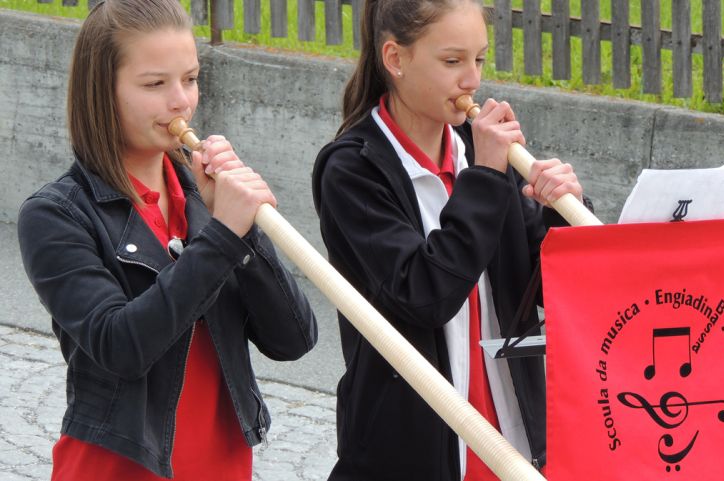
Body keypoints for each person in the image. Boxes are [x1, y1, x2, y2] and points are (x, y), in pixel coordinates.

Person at [17, 0, 318, 479]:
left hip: (223, 466)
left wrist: (245, 229)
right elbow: (122, 346)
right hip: (117, 469)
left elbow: (294, 339)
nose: (181, 101)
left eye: (191, 78)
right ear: (103, 92)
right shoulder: (57, 214)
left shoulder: (201, 195)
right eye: (155, 84)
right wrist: (221, 237)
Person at [311, 0, 592, 479]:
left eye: (479, 59)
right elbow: (425, 294)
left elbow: (542, 292)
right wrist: (483, 176)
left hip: (508, 439)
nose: (472, 81)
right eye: (452, 61)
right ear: (395, 59)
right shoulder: (352, 170)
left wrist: (557, 216)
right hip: (410, 451)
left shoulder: (480, 154)